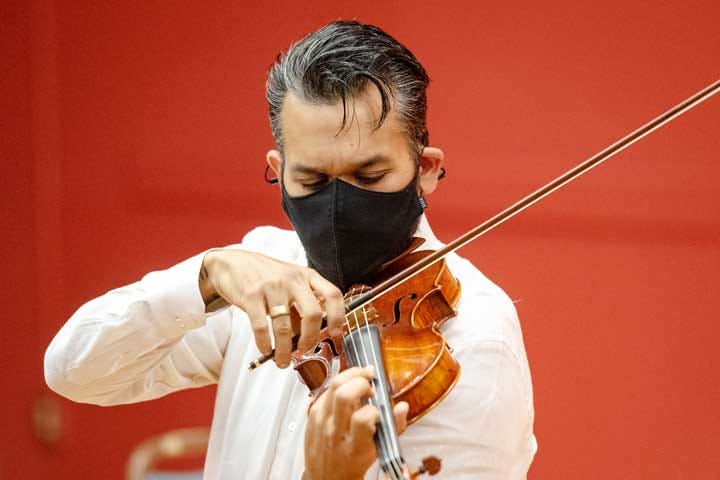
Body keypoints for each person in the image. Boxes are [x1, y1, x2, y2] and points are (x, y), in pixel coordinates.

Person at [45, 21, 536, 479]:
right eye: (313, 179)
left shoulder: (475, 340)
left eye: (370, 177)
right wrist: (208, 276)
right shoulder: (260, 276)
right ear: (278, 171)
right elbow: (75, 372)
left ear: (426, 168)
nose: (340, 204)